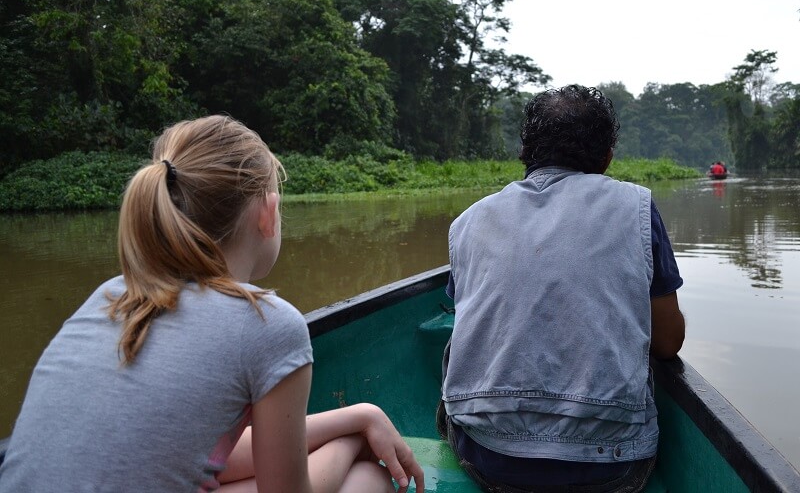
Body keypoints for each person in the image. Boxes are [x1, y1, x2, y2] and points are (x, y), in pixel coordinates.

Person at [0, 115, 424, 493]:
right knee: (369, 478)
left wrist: (359, 417)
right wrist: (353, 444)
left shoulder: (110, 295)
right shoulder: (267, 323)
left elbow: (206, 457)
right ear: (269, 214)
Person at [438, 85, 685, 492]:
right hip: (610, 466)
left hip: (489, 457)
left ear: (524, 152)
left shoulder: (469, 221)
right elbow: (667, 343)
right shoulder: (635, 207)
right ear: (607, 158)